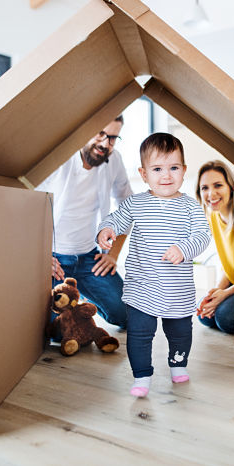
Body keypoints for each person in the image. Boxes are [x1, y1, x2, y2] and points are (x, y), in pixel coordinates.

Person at [97, 132, 210, 397]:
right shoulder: (136, 203)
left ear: (183, 171)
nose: (166, 175)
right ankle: (142, 375)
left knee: (181, 332)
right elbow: (115, 219)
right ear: (144, 173)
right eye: (157, 169)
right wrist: (106, 230)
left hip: (177, 289)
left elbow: (203, 236)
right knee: (139, 333)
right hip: (142, 286)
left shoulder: (191, 207)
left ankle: (178, 363)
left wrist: (184, 249)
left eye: (173, 168)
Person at [37, 115, 132, 332]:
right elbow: (25, 206)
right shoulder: (59, 159)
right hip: (54, 261)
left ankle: (78, 300)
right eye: (100, 133)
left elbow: (128, 206)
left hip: (90, 258)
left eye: (113, 138)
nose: (105, 144)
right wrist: (39, 256)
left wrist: (113, 254)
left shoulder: (114, 160)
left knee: (126, 314)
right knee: (55, 330)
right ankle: (73, 304)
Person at [195, 160, 234, 335]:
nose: (211, 193)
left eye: (218, 185)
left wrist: (225, 294)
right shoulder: (213, 217)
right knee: (204, 315)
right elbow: (228, 266)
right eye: (204, 188)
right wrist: (216, 292)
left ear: (230, 187)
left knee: (225, 317)